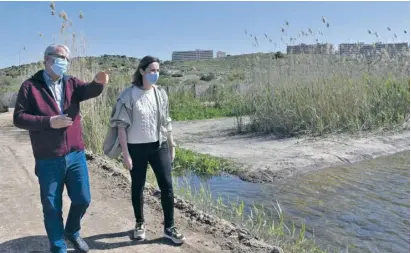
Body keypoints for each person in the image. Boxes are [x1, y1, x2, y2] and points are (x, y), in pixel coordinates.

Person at [13, 44, 109, 253]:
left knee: (83, 198)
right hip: (48, 157)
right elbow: (19, 118)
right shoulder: (30, 86)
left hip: (75, 154)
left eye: (67, 58)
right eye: (60, 57)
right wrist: (49, 121)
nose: (64, 61)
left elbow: (88, 90)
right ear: (47, 59)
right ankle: (58, 247)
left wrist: (99, 82)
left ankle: (72, 230)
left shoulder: (71, 83)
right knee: (52, 206)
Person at [105, 55, 185, 245]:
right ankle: (139, 224)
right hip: (136, 149)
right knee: (138, 186)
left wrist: (171, 144)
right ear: (141, 71)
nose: (155, 74)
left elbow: (166, 122)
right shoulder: (128, 95)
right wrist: (125, 154)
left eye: (157, 70)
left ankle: (169, 228)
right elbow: (121, 127)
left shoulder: (161, 94)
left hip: (159, 146)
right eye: (151, 70)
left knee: (167, 186)